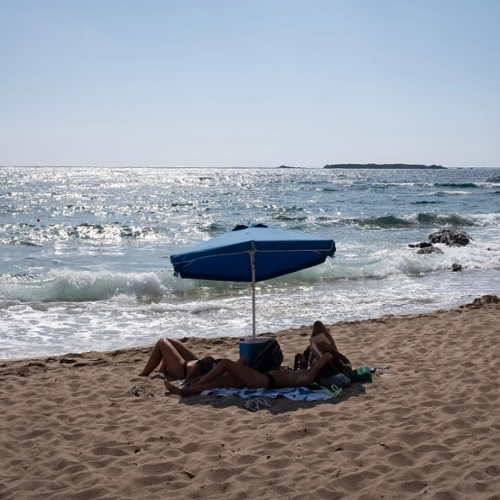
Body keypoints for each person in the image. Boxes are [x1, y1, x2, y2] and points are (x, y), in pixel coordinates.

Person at [164, 352, 334, 397]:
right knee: (221, 382)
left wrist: (326, 358)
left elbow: (322, 359)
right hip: (260, 380)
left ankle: (190, 384)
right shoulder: (304, 372)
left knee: (225, 364)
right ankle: (187, 391)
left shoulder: (308, 377)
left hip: (263, 380)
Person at [139, 338, 222, 381]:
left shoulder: (222, 375)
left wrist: (198, 365)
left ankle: (144, 373)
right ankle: (162, 370)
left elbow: (190, 380)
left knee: (162, 342)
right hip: (194, 362)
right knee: (170, 340)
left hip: (183, 370)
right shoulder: (229, 367)